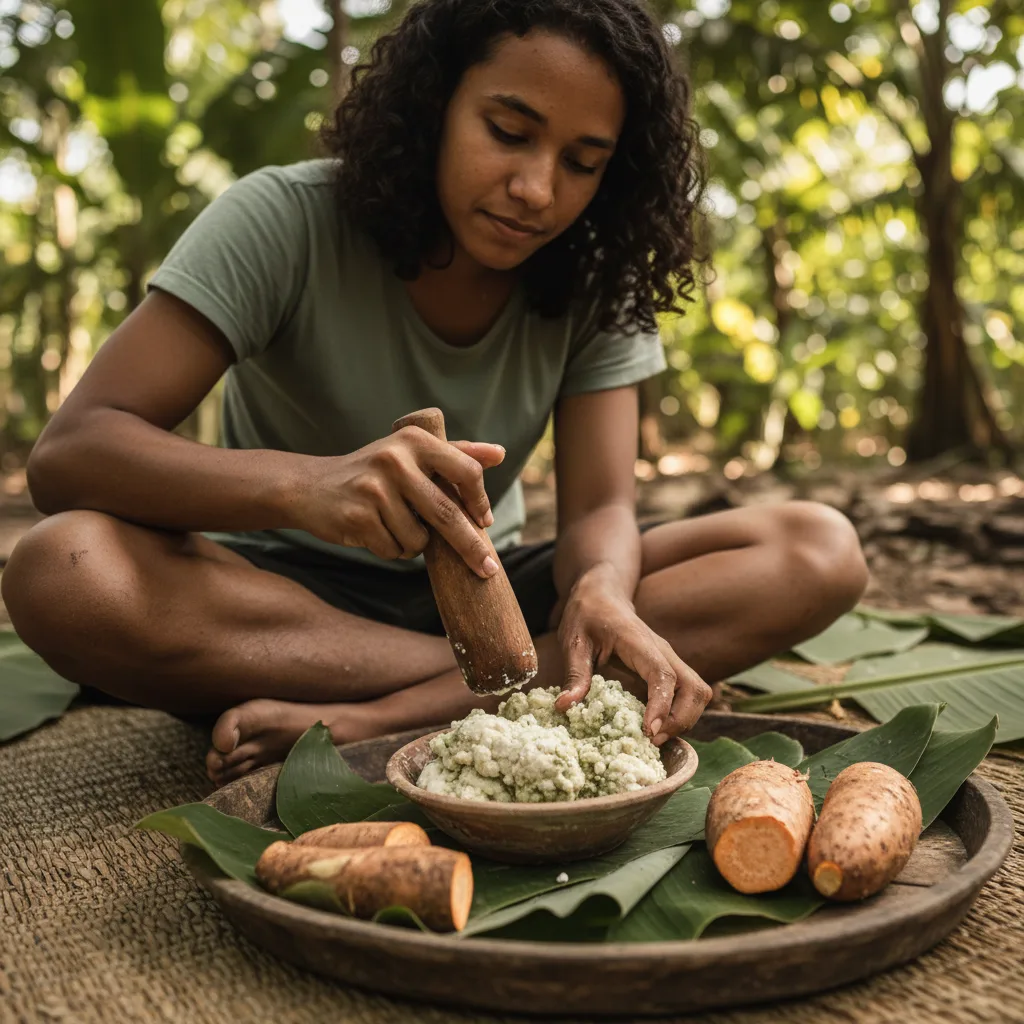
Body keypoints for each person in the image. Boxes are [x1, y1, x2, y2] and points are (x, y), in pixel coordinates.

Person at [2, 0, 867, 787]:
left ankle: (399, 713)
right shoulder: (282, 221)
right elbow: (73, 453)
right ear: (436, 104)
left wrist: (601, 589)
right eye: (508, 131)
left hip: (494, 592)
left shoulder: (599, 279)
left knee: (818, 548)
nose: (537, 189)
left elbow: (603, 505)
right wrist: (309, 488)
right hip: (273, 601)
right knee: (63, 569)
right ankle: (502, 686)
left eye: (582, 162)